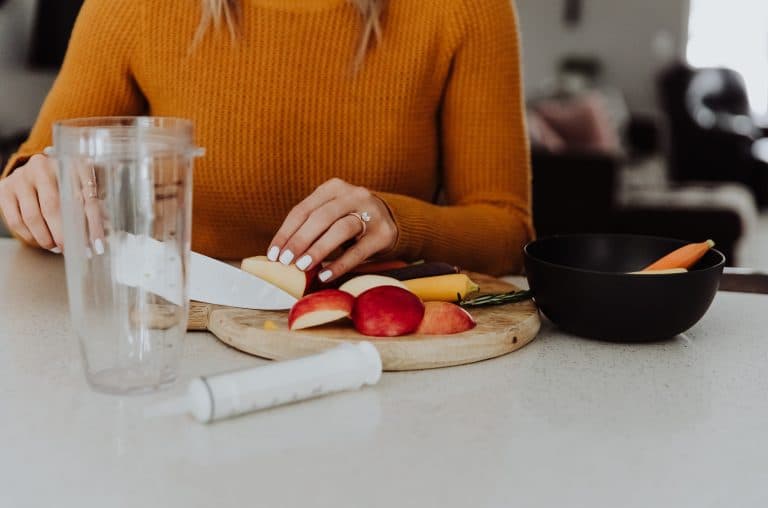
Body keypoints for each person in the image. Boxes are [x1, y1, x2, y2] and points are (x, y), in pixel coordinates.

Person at [0, 0, 533, 281]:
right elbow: (39, 174)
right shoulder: (130, 6)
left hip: (374, 350)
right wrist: (34, 189)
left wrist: (398, 224)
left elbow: (507, 233)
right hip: (174, 337)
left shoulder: (468, 9)